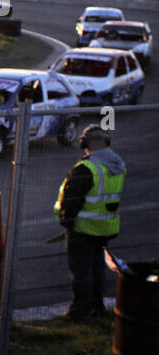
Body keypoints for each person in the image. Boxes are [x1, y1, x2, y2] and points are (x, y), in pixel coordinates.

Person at [54, 126, 126, 322]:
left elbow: (72, 200)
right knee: (97, 268)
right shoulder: (118, 165)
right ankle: (97, 307)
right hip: (105, 227)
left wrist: (66, 220)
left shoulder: (87, 168)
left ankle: (79, 312)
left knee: (81, 271)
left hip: (83, 228)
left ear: (87, 144)